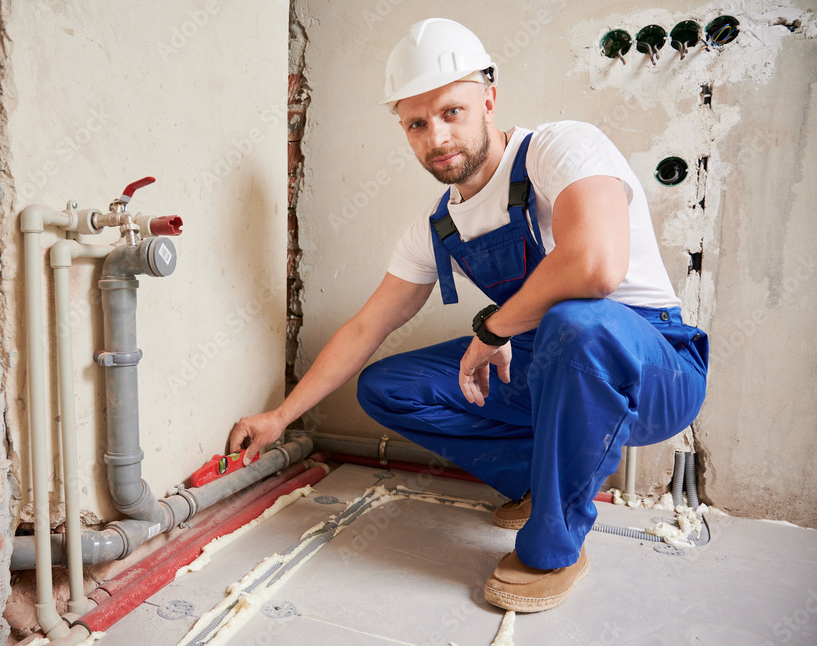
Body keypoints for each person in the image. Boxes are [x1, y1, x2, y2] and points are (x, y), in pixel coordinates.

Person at [229, 17, 708, 613]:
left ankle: (554, 548)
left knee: (578, 323)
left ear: (489, 99)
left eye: (451, 111)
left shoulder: (561, 148)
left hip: (654, 369)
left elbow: (594, 267)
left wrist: (493, 327)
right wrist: (281, 415)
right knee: (387, 386)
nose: (437, 136)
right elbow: (366, 328)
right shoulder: (439, 227)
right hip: (546, 365)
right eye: (417, 123)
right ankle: (541, 483)